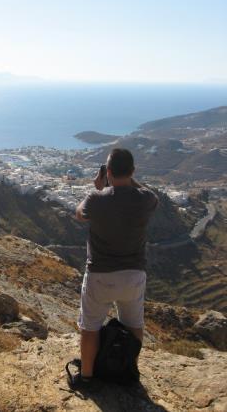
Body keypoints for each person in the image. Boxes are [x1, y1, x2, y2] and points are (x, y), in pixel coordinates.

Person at [72, 148, 158, 388]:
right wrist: (128, 180)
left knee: (90, 327)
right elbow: (149, 193)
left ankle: (87, 377)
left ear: (107, 172)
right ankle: (129, 370)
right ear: (132, 171)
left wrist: (98, 189)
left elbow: (79, 214)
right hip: (134, 274)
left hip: (100, 275)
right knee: (134, 325)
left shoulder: (96, 199)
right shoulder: (145, 199)